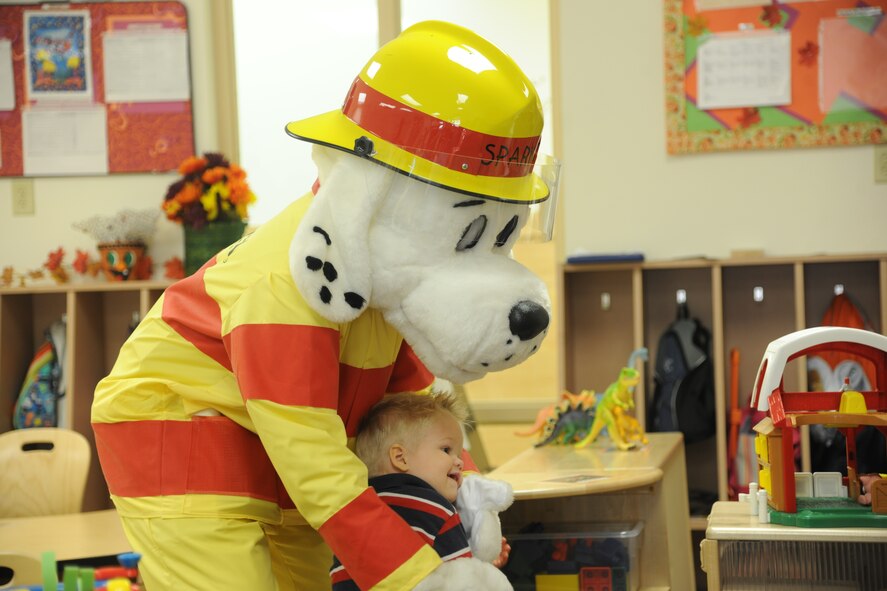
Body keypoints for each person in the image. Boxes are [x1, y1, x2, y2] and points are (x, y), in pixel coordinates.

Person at [91, 20, 556, 591]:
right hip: (182, 432)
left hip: (279, 442)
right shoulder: (283, 285)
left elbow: (410, 412)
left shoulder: (383, 278)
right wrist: (421, 577)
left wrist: (469, 492)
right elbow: (313, 460)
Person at [331, 392, 511, 590]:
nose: (460, 462)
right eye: (446, 450)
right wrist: (483, 568)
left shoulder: (357, 512)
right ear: (400, 458)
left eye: (459, 454)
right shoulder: (435, 509)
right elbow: (464, 581)